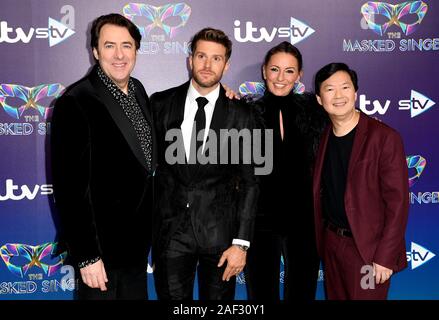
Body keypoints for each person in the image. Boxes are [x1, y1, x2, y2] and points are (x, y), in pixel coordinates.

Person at [51, 13, 156, 300]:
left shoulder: (138, 90)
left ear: (136, 49)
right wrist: (87, 256)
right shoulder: (75, 102)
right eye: (109, 46)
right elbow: (70, 190)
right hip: (101, 256)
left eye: (127, 45)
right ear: (95, 51)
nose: (119, 55)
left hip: (135, 251)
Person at [151, 27, 259, 300]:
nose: (207, 65)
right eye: (201, 56)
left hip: (221, 238)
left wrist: (241, 244)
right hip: (171, 233)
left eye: (216, 58)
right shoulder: (160, 103)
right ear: (190, 60)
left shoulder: (242, 114)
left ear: (226, 64)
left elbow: (251, 182)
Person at [313, 62, 409, 300]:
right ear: (318, 99)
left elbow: (398, 204)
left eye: (345, 87)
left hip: (367, 250)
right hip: (332, 244)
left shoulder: (384, 138)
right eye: (329, 89)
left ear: (355, 93)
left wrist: (384, 257)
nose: (338, 95)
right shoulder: (323, 136)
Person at [244, 41, 327, 301]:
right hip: (259, 220)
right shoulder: (246, 112)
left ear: (299, 75)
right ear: (264, 71)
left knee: (302, 292)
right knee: (260, 292)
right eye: (275, 70)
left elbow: (347, 119)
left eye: (289, 71)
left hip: (305, 219)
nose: (281, 78)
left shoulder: (316, 111)